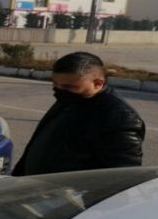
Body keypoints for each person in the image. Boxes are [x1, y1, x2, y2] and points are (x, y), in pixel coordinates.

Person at [12, 51, 145, 176]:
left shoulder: (119, 118)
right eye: (55, 84)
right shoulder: (69, 101)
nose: (58, 91)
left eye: (68, 87)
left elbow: (121, 174)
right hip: (36, 188)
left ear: (97, 84)